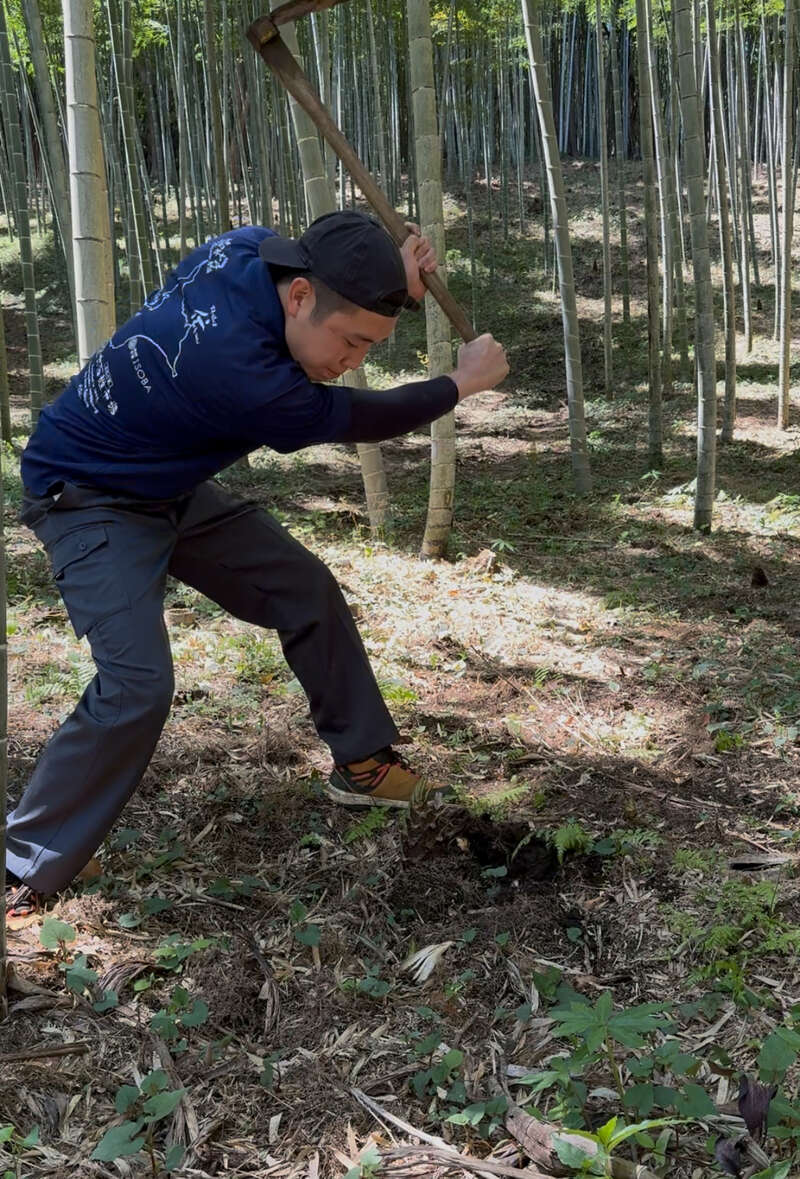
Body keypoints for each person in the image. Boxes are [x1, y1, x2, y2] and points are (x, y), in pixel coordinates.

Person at [5, 210, 509, 919]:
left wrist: (395, 279)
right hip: (85, 496)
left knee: (304, 587)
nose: (353, 359)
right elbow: (361, 416)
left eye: (371, 343)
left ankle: (363, 763)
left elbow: (329, 275)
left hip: (163, 479)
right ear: (300, 297)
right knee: (137, 684)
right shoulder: (251, 379)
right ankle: (22, 860)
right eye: (351, 340)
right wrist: (460, 383)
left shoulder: (243, 249)